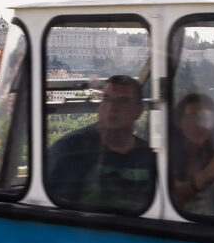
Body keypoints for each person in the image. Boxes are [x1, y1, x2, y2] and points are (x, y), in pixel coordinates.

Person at [46, 75, 155, 212]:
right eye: (107, 99)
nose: (112, 108)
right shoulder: (71, 150)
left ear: (138, 111)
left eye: (122, 101)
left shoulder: (147, 156)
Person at [170, 93, 214, 216]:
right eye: (191, 118)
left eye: (205, 118)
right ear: (179, 122)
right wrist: (210, 172)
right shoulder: (167, 155)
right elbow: (174, 198)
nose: (198, 125)